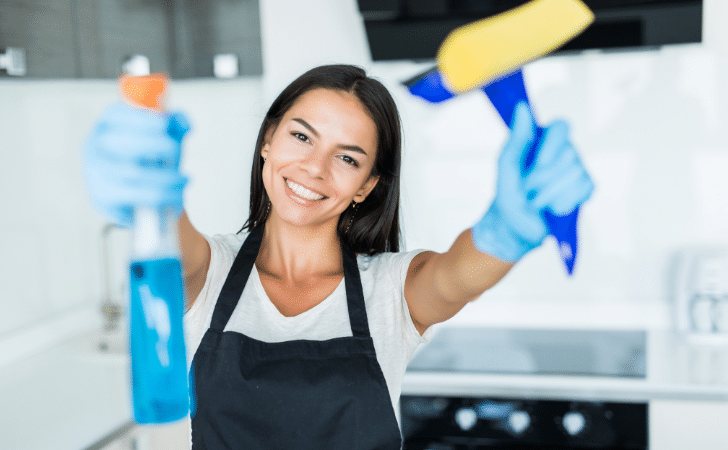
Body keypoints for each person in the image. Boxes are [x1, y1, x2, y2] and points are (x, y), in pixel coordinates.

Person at [83, 64, 593, 449]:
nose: (314, 168)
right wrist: (152, 197)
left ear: (367, 186)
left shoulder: (390, 292)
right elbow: (173, 243)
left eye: (347, 157)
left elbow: (454, 276)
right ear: (268, 141)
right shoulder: (208, 273)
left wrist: (505, 232)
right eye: (301, 136)